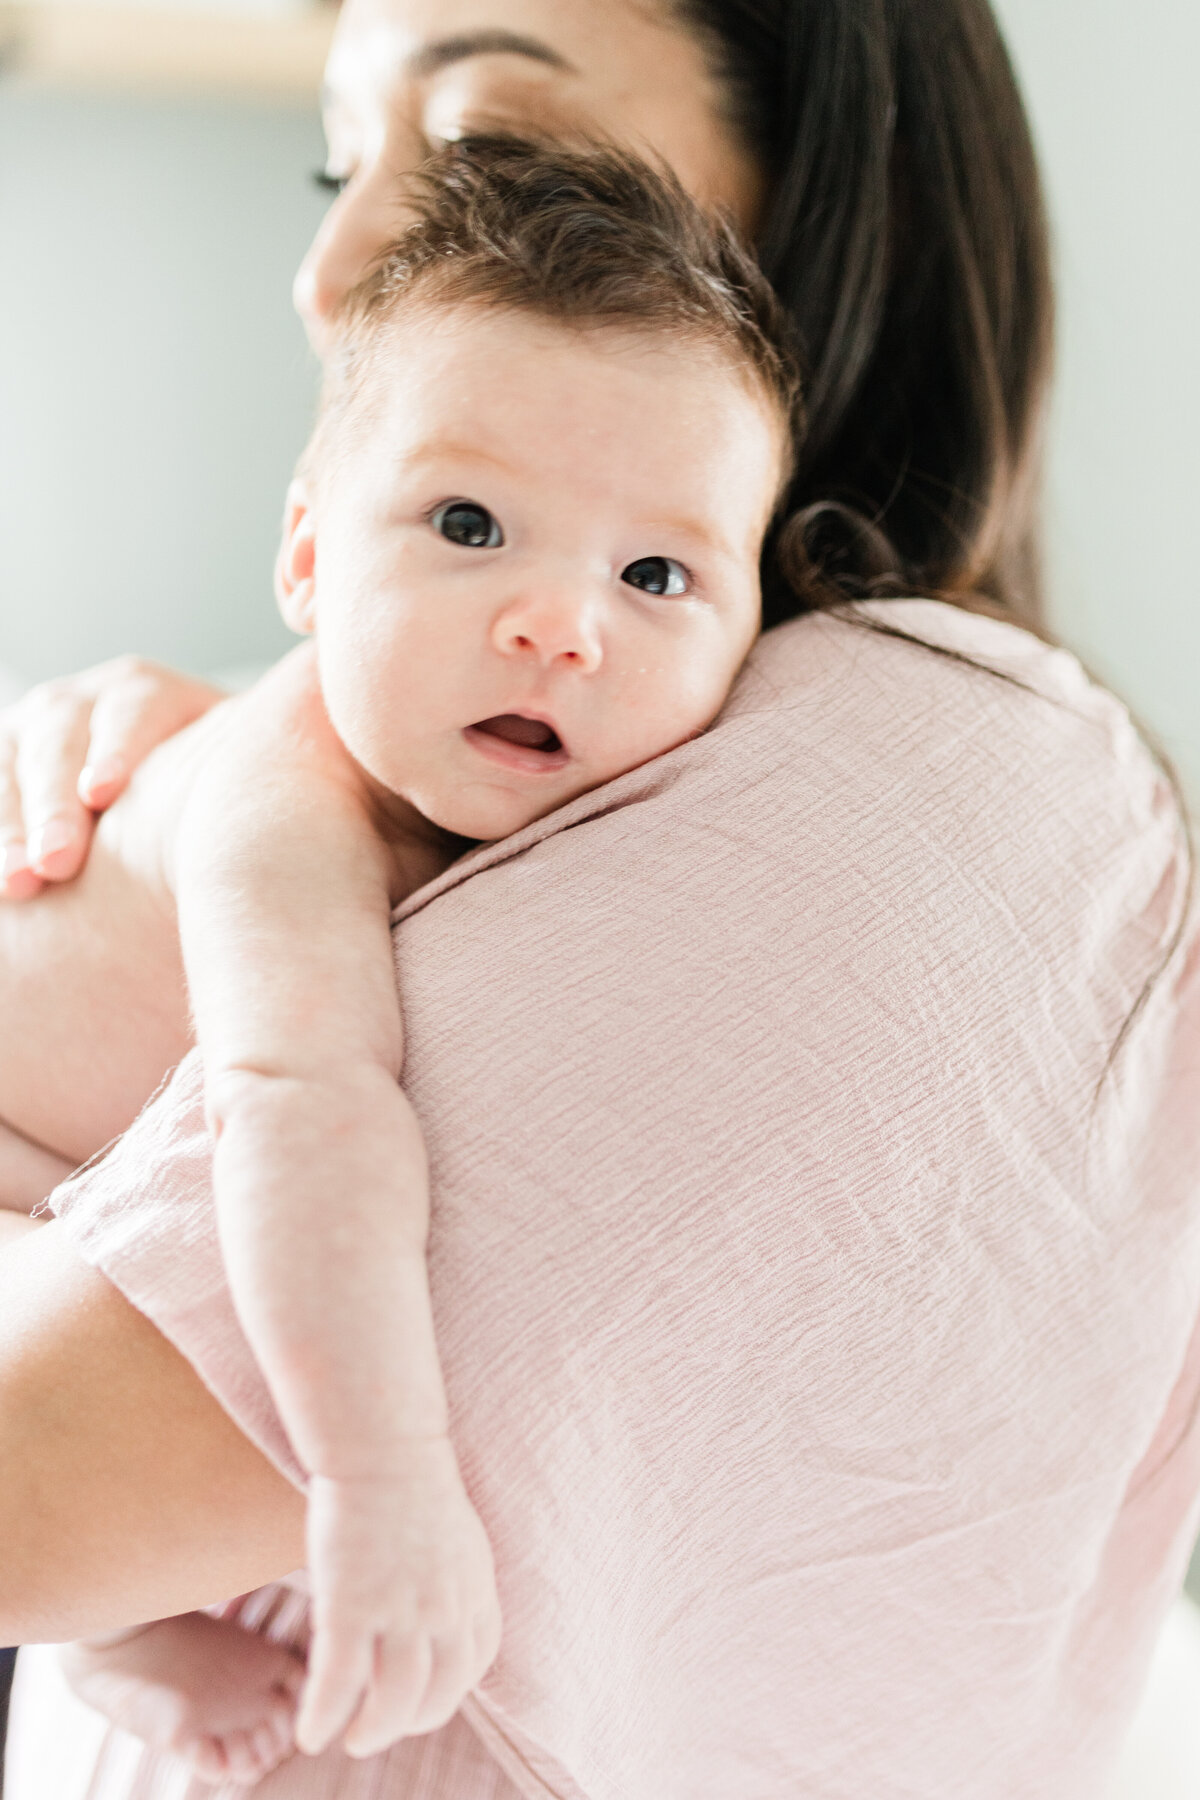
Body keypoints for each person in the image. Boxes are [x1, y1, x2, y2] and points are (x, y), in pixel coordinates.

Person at [1, 1, 1198, 1796]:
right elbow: (290, 1104)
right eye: (338, 165)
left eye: (490, 156)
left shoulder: (930, 784)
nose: (338, 269)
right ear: (311, 550)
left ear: (831, 209)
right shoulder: (312, 782)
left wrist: (379, 1490)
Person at [0, 139, 800, 1783]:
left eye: (656, 573)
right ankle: (124, 1645)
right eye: (468, 522)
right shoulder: (277, 802)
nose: (558, 624)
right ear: (305, 559)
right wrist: (384, 1483)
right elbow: (303, 1114)